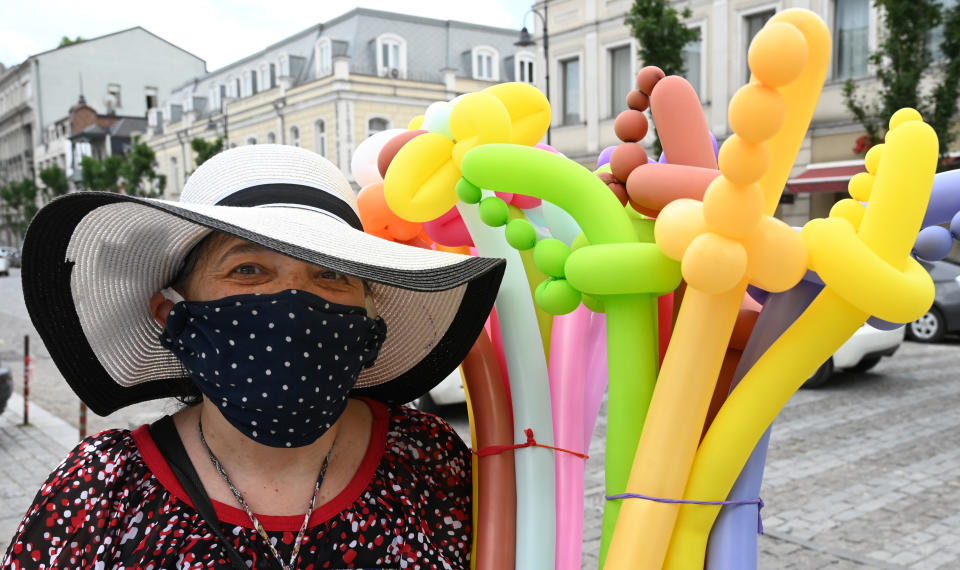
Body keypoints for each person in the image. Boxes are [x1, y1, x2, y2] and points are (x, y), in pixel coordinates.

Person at [2, 145, 505, 569]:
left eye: (332, 274)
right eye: (247, 269)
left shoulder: (428, 459)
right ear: (171, 314)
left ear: (368, 321)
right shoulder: (101, 490)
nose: (293, 303)